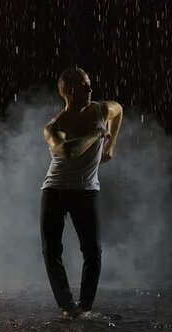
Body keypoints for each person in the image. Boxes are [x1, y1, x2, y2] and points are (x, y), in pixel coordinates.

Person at [41, 67, 123, 319]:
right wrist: (97, 134)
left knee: (92, 251)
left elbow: (118, 109)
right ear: (67, 92)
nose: (90, 89)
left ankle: (85, 307)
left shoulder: (101, 109)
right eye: (83, 86)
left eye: (89, 83)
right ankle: (68, 307)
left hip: (86, 191)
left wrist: (111, 143)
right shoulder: (55, 126)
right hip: (55, 190)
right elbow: (66, 152)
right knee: (51, 251)